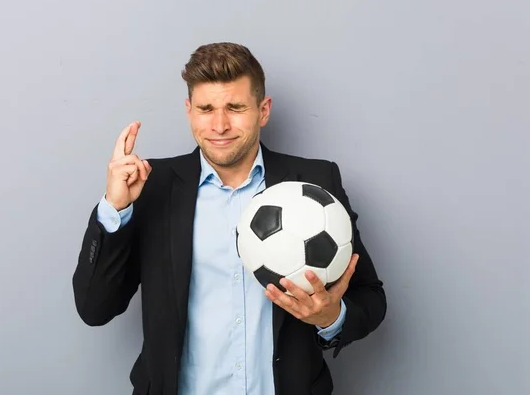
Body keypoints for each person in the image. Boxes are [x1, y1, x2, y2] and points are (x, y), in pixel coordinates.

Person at [72, 42, 386, 395]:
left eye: (235, 107)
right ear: (189, 111)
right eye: (206, 108)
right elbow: (94, 308)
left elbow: (370, 299)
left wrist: (331, 318)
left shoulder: (314, 183)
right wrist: (115, 209)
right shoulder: (150, 185)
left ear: (263, 110)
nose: (219, 125)